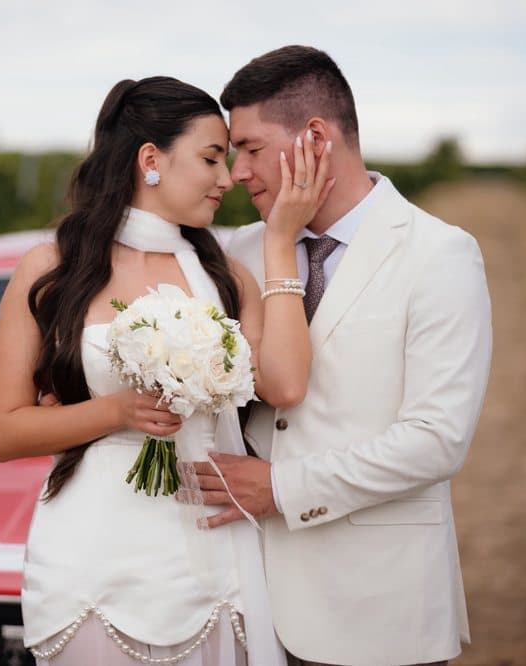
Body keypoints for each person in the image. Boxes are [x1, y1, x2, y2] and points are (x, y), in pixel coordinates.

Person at [0, 76, 332, 665]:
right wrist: (116, 411)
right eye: (210, 158)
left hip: (207, 550)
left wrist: (279, 243)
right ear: (151, 160)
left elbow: (286, 384)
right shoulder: (51, 270)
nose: (228, 179)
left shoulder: (221, 274)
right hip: (94, 552)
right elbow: (4, 433)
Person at [194, 46, 494, 666]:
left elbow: (437, 439)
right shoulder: (237, 252)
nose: (237, 173)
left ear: (315, 136)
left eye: (249, 148)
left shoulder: (439, 255)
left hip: (377, 606)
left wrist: (281, 487)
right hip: (243, 596)